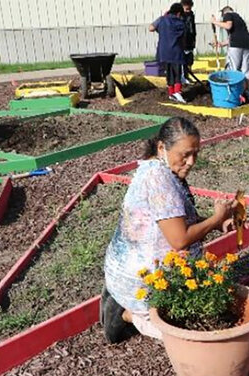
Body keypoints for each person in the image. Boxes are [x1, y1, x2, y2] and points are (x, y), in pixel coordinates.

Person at [100, 117, 237, 343]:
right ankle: (129, 314)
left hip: (132, 267)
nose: (191, 161)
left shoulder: (160, 169)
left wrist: (217, 222)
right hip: (144, 279)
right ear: (162, 147)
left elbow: (174, 220)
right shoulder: (158, 180)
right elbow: (180, 240)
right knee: (185, 336)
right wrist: (216, 218)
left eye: (196, 153)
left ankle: (126, 304)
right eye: (185, 154)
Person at [212, 6, 249, 102]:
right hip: (246, 44)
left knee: (233, 70)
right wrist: (221, 44)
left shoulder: (228, 15)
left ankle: (233, 95)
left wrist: (215, 22)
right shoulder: (239, 18)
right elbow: (235, 36)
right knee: (246, 71)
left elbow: (228, 26)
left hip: (236, 47)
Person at [150, 3, 187, 103]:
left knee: (169, 73)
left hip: (164, 52)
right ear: (178, 13)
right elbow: (183, 38)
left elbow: (151, 28)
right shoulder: (180, 23)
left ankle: (171, 93)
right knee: (177, 73)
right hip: (176, 52)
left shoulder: (162, 20)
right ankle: (178, 92)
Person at [181, 0, 196, 85]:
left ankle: (188, 76)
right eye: (187, 9)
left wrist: (194, 40)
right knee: (182, 61)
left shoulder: (191, 15)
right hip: (182, 41)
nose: (188, 11)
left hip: (190, 41)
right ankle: (183, 77)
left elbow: (193, 28)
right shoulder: (179, 16)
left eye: (190, 9)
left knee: (189, 60)